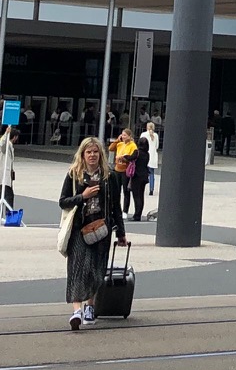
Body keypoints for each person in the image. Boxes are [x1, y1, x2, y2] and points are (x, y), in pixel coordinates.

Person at [57, 136, 127, 330]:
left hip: (102, 229)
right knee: (77, 269)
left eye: (95, 152)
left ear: (100, 154)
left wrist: (121, 232)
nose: (92, 155)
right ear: (82, 155)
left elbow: (116, 207)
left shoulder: (109, 176)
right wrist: (83, 196)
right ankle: (76, 311)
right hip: (79, 229)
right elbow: (63, 201)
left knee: (96, 272)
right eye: (88, 152)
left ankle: (90, 306)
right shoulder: (74, 174)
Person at [144, 121, 161, 196]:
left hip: (145, 155)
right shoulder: (156, 135)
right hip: (153, 156)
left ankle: (142, 187)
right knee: (152, 174)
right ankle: (151, 189)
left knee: (143, 173)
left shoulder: (144, 134)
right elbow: (157, 146)